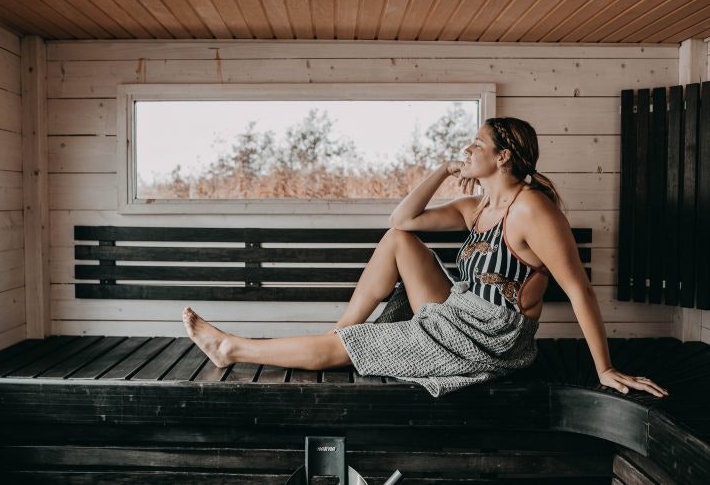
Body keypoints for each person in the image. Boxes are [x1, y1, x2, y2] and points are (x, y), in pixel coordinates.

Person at [182, 116, 668, 399]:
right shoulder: (477, 205)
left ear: (502, 158)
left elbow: (579, 288)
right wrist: (440, 169)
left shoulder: (532, 210)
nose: (467, 149)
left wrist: (604, 368)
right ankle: (341, 328)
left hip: (491, 337)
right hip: (460, 311)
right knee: (399, 243)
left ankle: (233, 349)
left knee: (347, 352)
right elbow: (402, 220)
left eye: (477, 145)